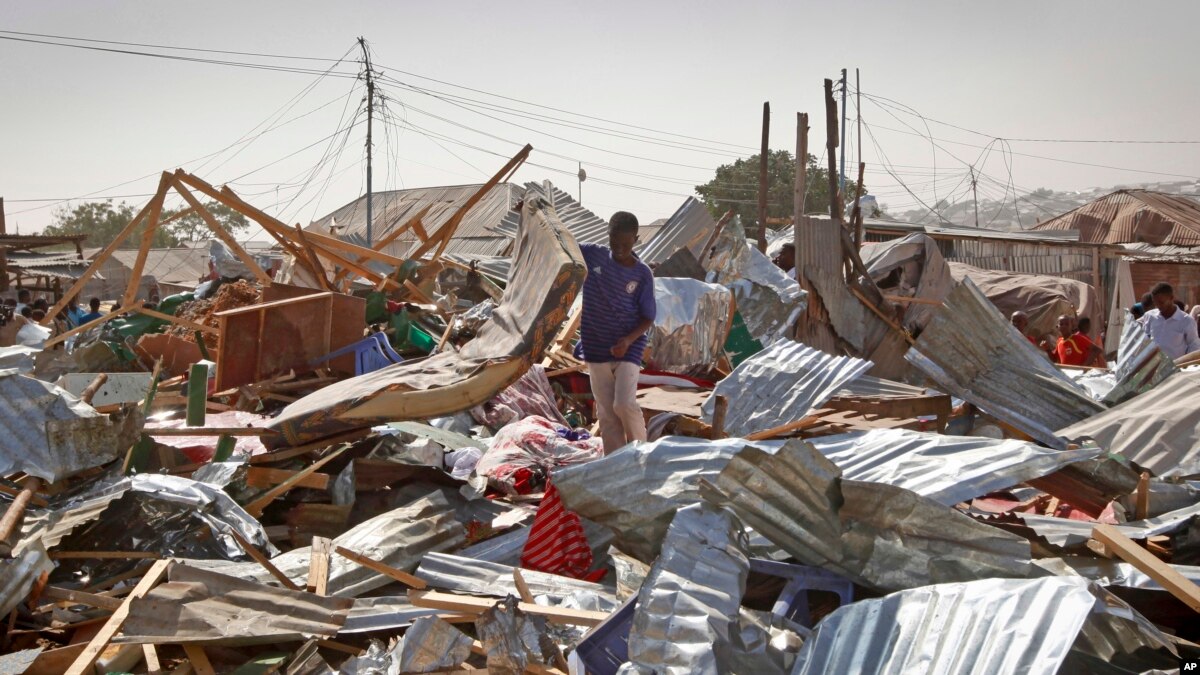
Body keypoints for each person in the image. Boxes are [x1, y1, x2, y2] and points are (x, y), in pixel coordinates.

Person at [575, 211, 656, 454]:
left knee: (624, 404)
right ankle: (615, 463)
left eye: (625, 243)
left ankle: (639, 453)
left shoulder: (642, 274)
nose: (619, 248)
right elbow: (558, 241)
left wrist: (628, 340)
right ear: (607, 236)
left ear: (636, 239)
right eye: (614, 242)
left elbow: (648, 316)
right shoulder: (593, 255)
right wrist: (531, 213)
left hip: (629, 346)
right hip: (596, 345)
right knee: (607, 412)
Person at [1140, 282, 1200, 359]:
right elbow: (1144, 341)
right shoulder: (1149, 316)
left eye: (1161, 302)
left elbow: (1194, 346)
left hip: (1175, 368)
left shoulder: (1187, 321)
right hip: (1153, 367)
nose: (1158, 306)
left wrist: (1184, 366)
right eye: (1155, 302)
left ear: (1171, 298)